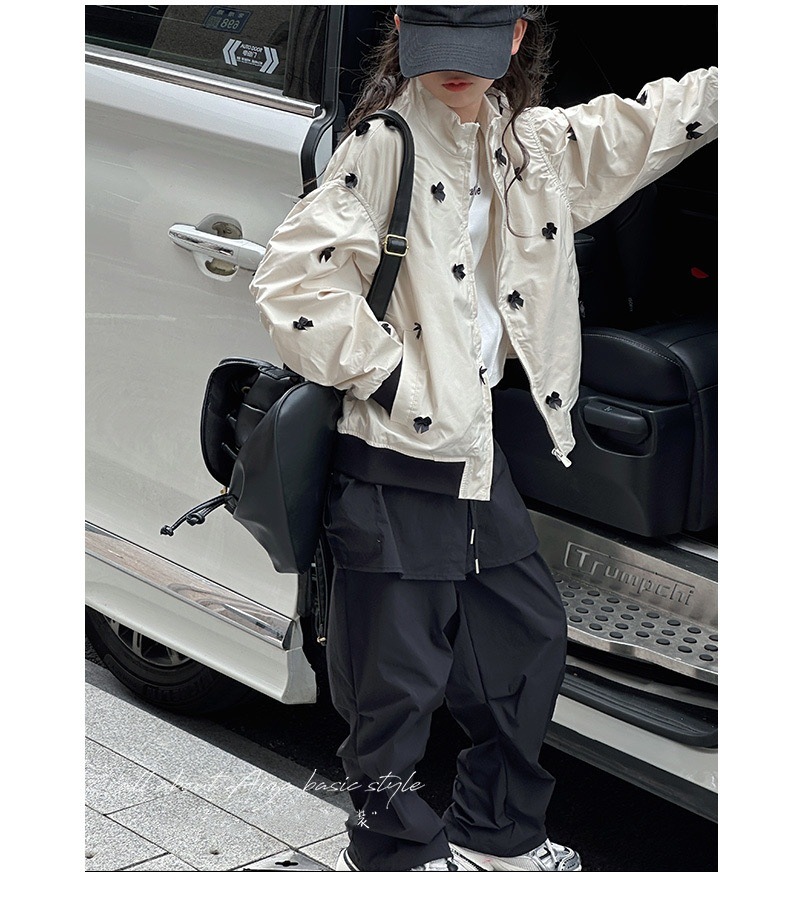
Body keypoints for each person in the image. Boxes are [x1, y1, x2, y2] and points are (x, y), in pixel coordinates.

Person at [250, 5, 717, 873]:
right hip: (391, 459)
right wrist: (398, 383)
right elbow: (293, 285)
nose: (455, 69)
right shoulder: (382, 148)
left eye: (478, 44)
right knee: (394, 684)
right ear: (404, 27)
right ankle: (389, 855)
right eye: (439, 45)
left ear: (517, 35)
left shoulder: (530, 147)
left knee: (524, 641)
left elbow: (649, 124)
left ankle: (496, 834)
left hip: (474, 458)